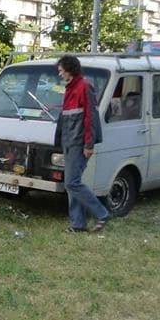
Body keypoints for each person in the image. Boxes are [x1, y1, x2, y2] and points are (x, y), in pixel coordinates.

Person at [54, 54, 110, 233]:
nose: (60, 74)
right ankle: (77, 224)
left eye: (61, 71)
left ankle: (101, 213)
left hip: (79, 143)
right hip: (69, 141)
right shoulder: (70, 88)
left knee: (72, 183)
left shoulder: (85, 87)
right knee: (73, 184)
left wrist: (89, 145)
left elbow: (90, 118)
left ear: (70, 69)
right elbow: (70, 114)